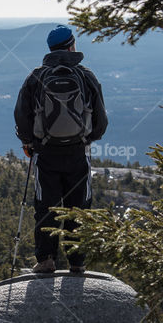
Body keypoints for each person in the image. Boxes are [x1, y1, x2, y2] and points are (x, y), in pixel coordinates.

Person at [13, 24, 108, 274]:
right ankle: (77, 262)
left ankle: (46, 260)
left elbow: (21, 115)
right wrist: (88, 139)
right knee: (79, 206)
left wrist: (28, 143)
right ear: (71, 45)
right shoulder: (86, 75)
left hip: (46, 153)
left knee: (46, 205)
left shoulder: (37, 76)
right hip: (78, 153)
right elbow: (101, 120)